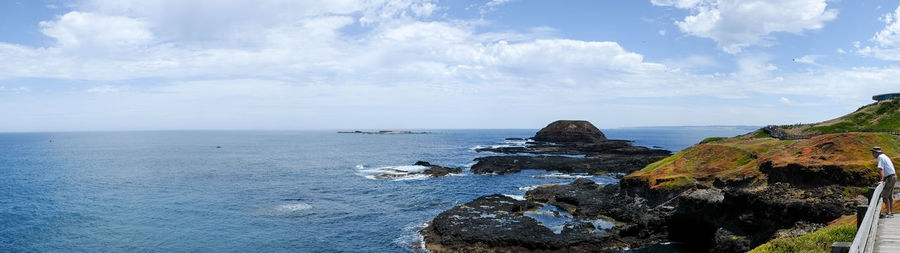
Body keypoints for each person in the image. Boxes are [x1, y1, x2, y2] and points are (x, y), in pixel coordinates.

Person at [873, 146, 896, 218]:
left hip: (890, 178)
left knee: (885, 196)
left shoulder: (880, 158)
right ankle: (891, 212)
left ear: (877, 153)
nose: (872, 154)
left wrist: (882, 180)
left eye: (873, 153)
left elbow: (881, 169)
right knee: (890, 196)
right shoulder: (884, 156)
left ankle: (889, 213)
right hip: (893, 176)